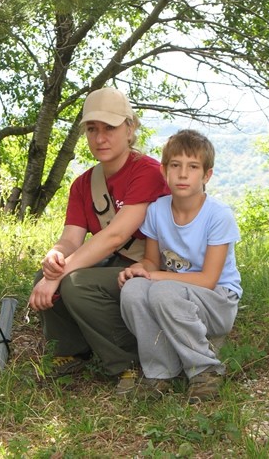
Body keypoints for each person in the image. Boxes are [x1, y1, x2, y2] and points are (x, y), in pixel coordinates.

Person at [29, 87, 170, 389]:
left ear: (130, 129)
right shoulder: (83, 185)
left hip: (151, 268)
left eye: (110, 128)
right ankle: (72, 351)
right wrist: (56, 256)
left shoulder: (147, 172)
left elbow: (116, 235)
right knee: (46, 273)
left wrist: (60, 276)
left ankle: (128, 361)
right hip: (118, 264)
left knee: (76, 285)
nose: (100, 138)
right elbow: (71, 239)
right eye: (92, 129)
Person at [118, 129, 242, 403]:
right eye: (175, 165)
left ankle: (205, 369)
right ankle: (160, 372)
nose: (183, 174)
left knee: (162, 290)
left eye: (193, 167)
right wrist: (139, 269)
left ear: (206, 175)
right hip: (175, 293)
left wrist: (154, 275)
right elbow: (151, 260)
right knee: (134, 289)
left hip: (217, 300)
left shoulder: (218, 215)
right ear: (164, 171)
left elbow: (209, 279)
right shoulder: (157, 210)